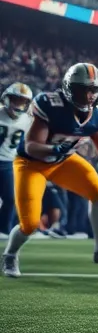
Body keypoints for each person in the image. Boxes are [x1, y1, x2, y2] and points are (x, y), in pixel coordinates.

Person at [2, 64, 98, 278]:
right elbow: (31, 145)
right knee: (30, 222)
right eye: (83, 90)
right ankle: (10, 254)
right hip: (31, 165)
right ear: (69, 88)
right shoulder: (51, 105)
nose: (89, 96)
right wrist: (54, 148)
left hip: (62, 162)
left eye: (93, 91)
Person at [0, 83, 35, 234]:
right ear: (7, 99)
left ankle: (3, 231)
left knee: (10, 199)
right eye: (16, 100)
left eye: (23, 101)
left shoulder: (27, 120)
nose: (19, 104)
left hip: (8, 163)